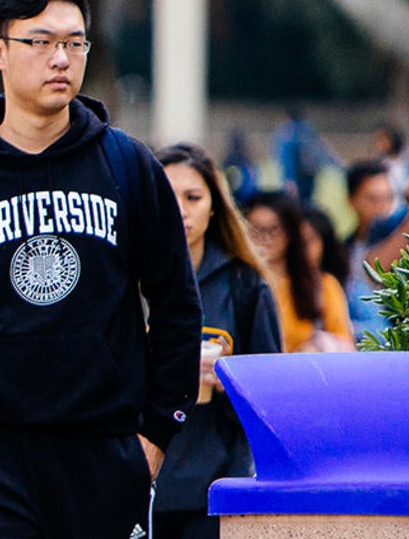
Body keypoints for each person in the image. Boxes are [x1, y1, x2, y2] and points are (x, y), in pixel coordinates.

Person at [0, 0, 202, 537]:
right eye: (40, 42)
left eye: (74, 43)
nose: (61, 59)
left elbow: (177, 305)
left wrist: (156, 435)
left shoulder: (128, 167)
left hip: (107, 454)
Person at [148, 143, 284, 539]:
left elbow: (273, 395)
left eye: (193, 197)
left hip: (216, 489)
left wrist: (230, 381)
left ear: (213, 207)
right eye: (167, 196)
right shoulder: (123, 279)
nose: (180, 209)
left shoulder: (244, 286)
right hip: (137, 482)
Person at [240, 194, 355, 353]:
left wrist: (315, 347)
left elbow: (343, 344)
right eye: (255, 230)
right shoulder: (235, 282)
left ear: (290, 233)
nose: (264, 238)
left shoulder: (321, 285)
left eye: (272, 230)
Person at [341, 161, 409, 338]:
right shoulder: (342, 248)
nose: (382, 207)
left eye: (388, 198)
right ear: (350, 200)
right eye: (372, 199)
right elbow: (374, 269)